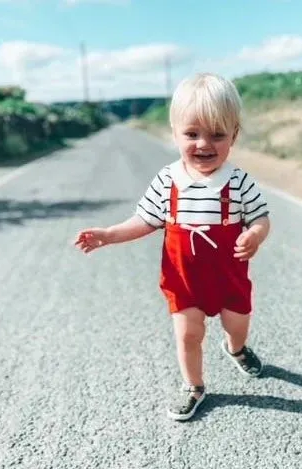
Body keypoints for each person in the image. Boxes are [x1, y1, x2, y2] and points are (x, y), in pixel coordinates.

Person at [74, 72, 271, 421]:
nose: (203, 144)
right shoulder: (167, 181)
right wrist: (109, 233)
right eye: (191, 134)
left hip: (230, 279)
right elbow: (145, 220)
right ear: (174, 133)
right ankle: (193, 385)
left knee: (237, 324)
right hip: (184, 280)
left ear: (234, 136)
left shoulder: (240, 182)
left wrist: (254, 235)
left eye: (217, 135)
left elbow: (260, 218)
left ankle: (236, 348)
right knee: (188, 334)